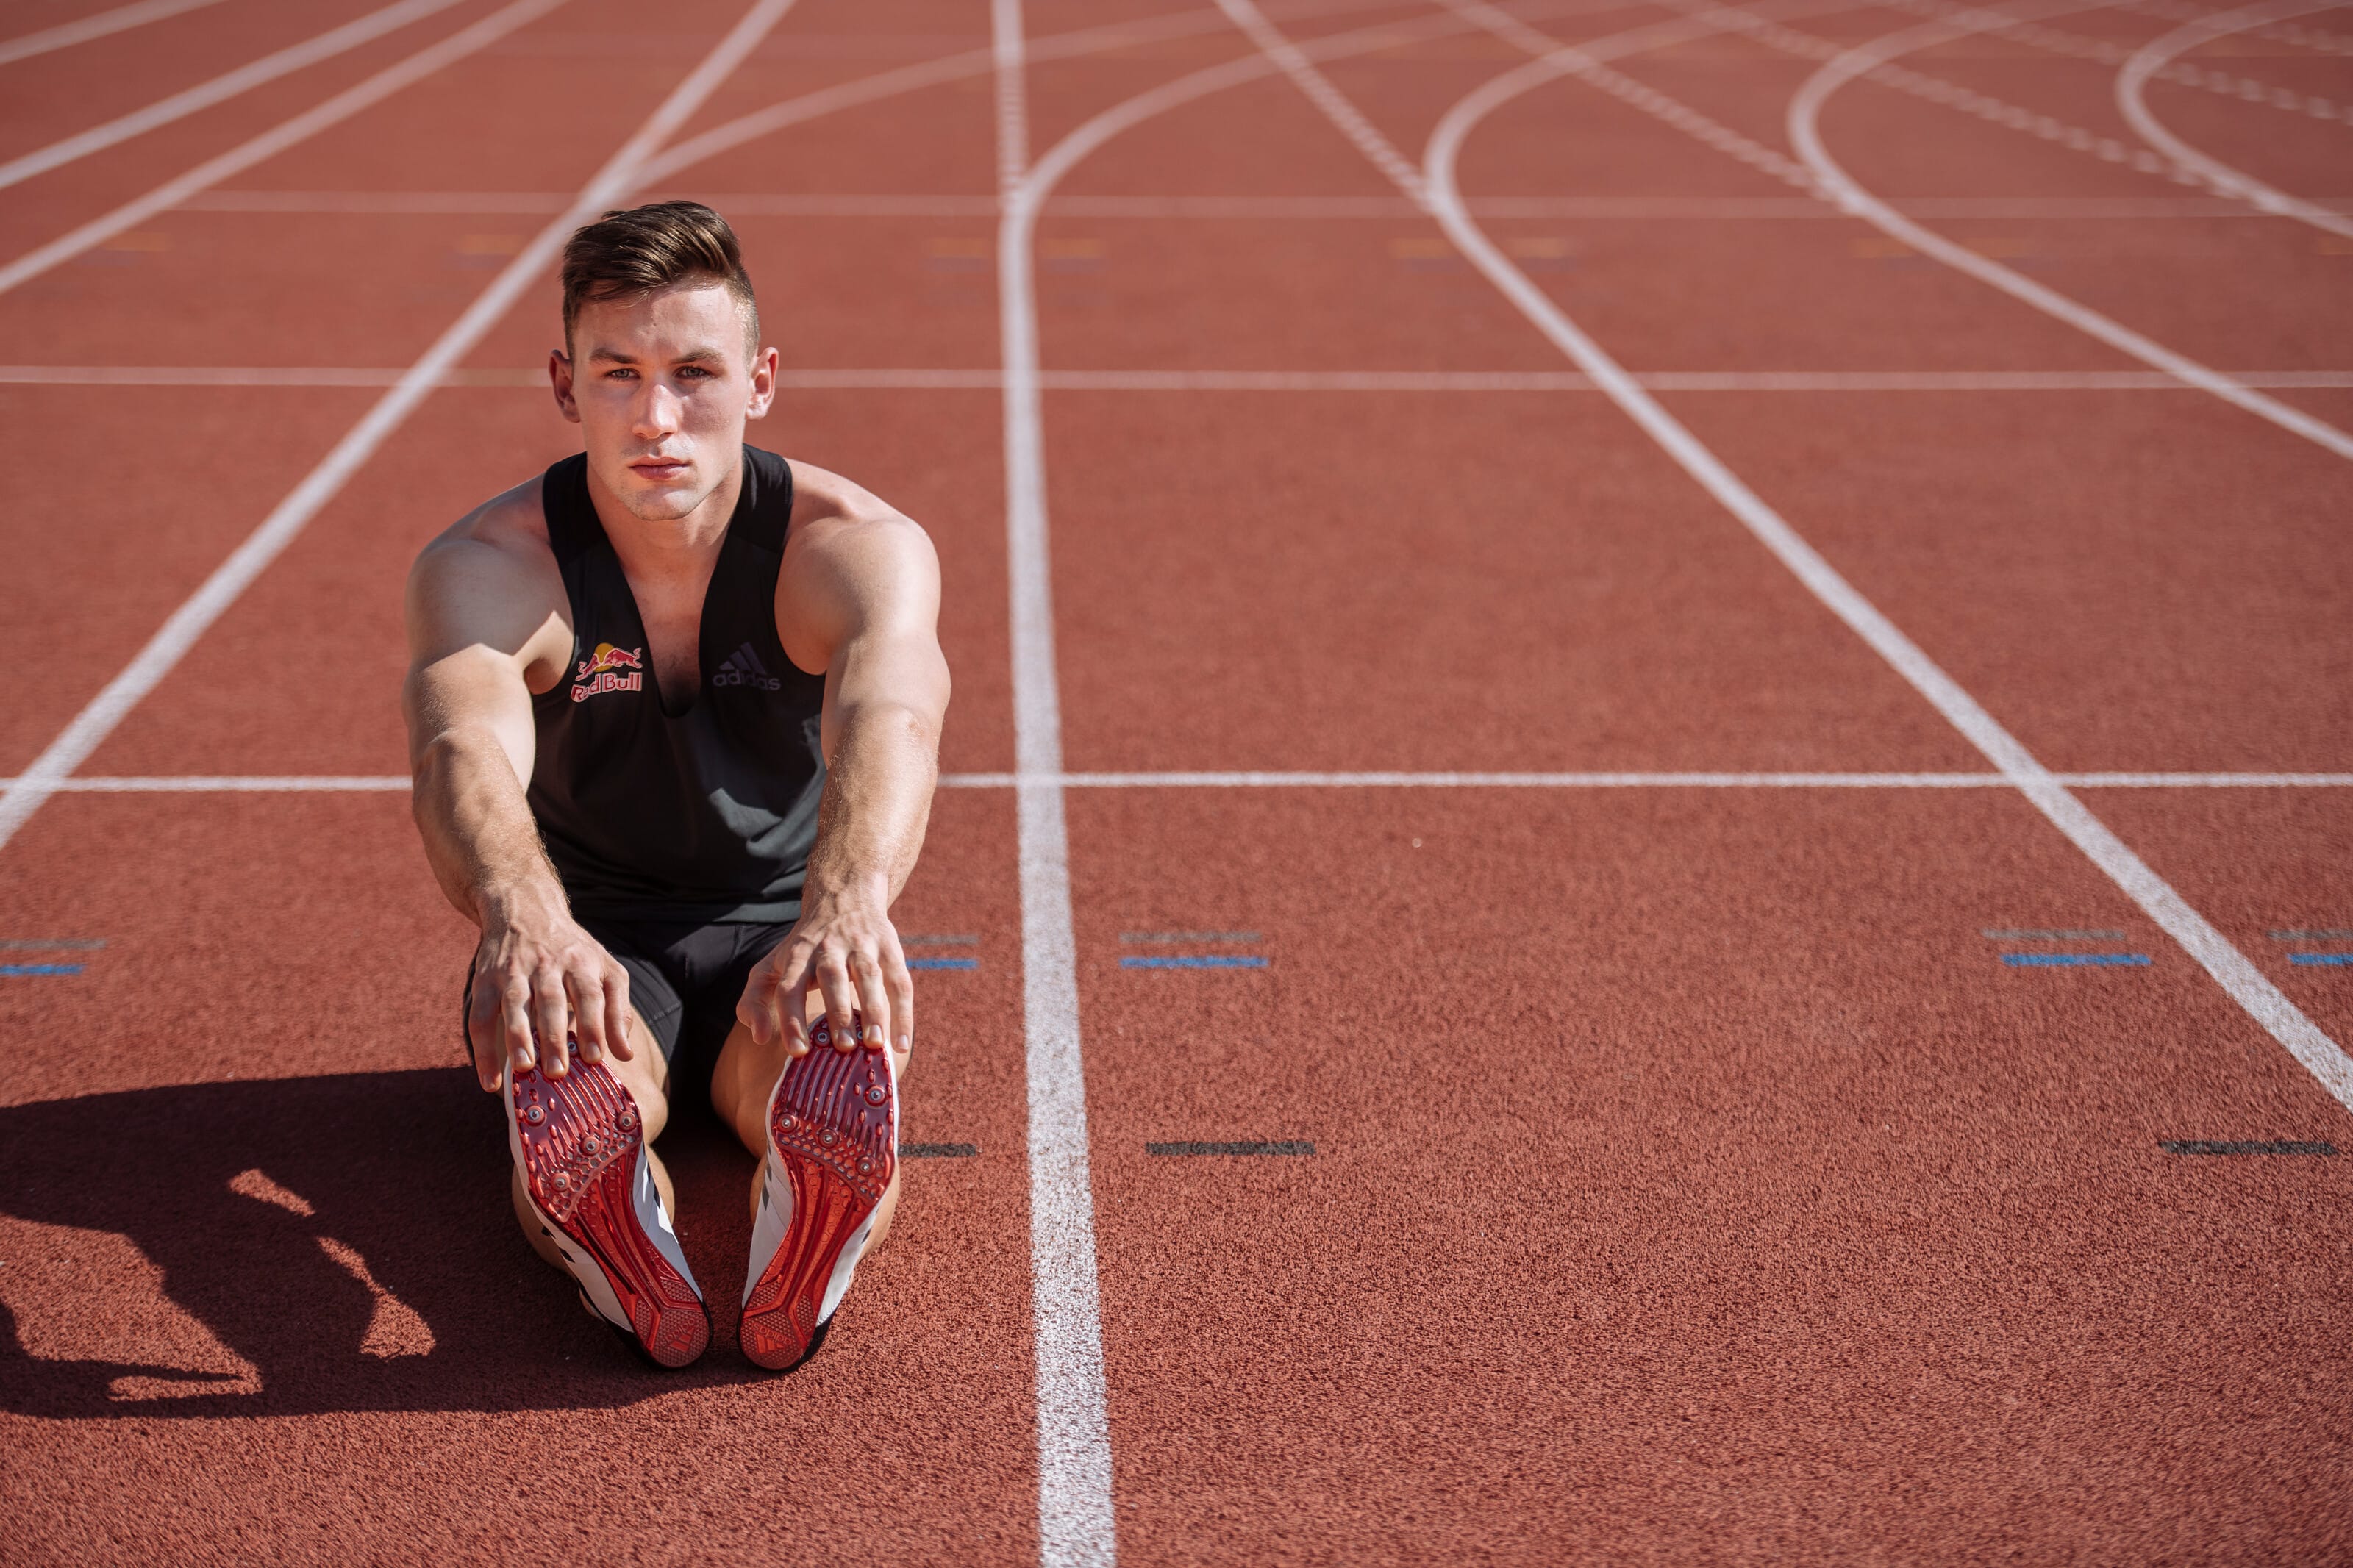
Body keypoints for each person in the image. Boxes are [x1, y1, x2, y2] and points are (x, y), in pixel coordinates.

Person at [401, 201, 949, 1370]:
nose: (657, 417)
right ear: (564, 385)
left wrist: (847, 908)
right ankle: (614, 1222)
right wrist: (526, 918)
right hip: (592, 939)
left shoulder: (848, 543)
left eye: (694, 373)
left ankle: (810, 1200)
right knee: (575, 1062)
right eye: (619, 375)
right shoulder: (495, 567)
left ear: (760, 381)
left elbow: (891, 714)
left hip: (785, 931)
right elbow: (460, 749)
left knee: (832, 1060)